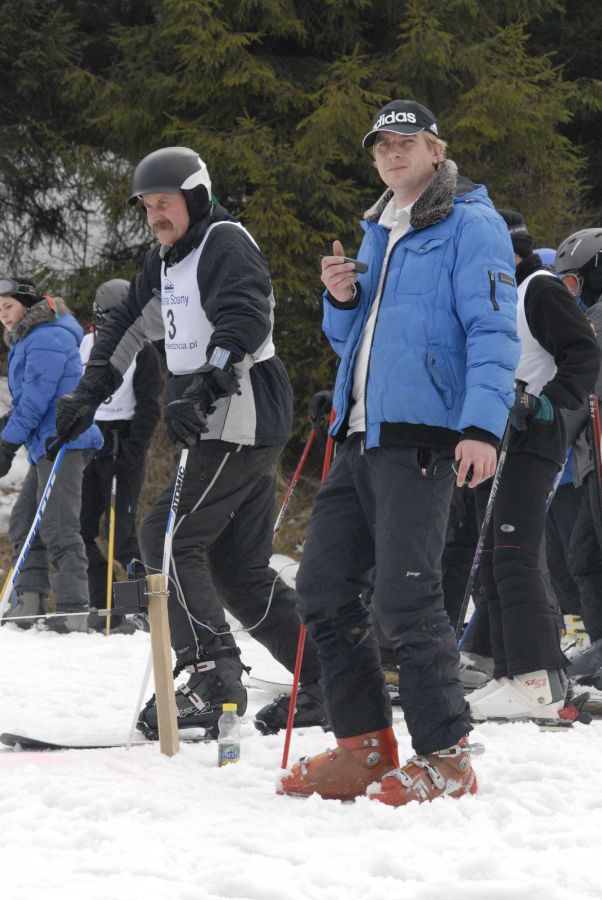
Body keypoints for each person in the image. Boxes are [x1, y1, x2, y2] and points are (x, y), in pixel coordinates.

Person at [279, 99, 521, 807]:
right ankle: (363, 745)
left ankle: (446, 756)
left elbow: (492, 331)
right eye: (381, 143)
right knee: (322, 590)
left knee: (406, 600)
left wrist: (482, 427)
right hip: (359, 435)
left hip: (423, 437)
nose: (391, 152)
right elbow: (355, 344)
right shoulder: (378, 228)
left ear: (436, 150)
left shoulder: (468, 223)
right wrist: (342, 301)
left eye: (405, 141)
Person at [50, 147, 327, 736]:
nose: (156, 216)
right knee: (238, 569)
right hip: (225, 415)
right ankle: (329, 677)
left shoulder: (224, 242)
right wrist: (87, 394)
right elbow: (128, 323)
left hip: (238, 409)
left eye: (165, 204)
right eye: (149, 207)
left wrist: (202, 390)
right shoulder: (167, 258)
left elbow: (245, 318)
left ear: (196, 198)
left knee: (166, 537)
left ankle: (212, 676)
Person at [468, 213, 601, 722]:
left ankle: (536, 675)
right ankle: (510, 670)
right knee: (493, 555)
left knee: (515, 551)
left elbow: (583, 353)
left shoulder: (536, 288)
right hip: (495, 439)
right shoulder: (492, 298)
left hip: (532, 436)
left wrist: (550, 402)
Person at [0, 277, 102, 632]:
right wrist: (8, 426)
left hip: (65, 443)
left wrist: (8, 443)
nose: (3, 316)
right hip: (47, 443)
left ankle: (74, 610)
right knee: (24, 519)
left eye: (8, 306)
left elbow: (37, 399)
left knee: (59, 525)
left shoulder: (47, 337)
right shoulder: (31, 338)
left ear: (27, 305)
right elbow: (30, 398)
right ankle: (29, 598)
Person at [79, 278, 161, 633]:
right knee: (82, 528)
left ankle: (138, 606)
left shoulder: (142, 351)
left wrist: (132, 449)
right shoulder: (85, 345)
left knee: (121, 533)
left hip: (123, 441)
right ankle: (102, 605)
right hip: (90, 441)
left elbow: (149, 407)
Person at [552, 228, 602, 680]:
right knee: (585, 555)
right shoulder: (588, 322)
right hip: (592, 462)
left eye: (573, 284)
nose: (570, 295)